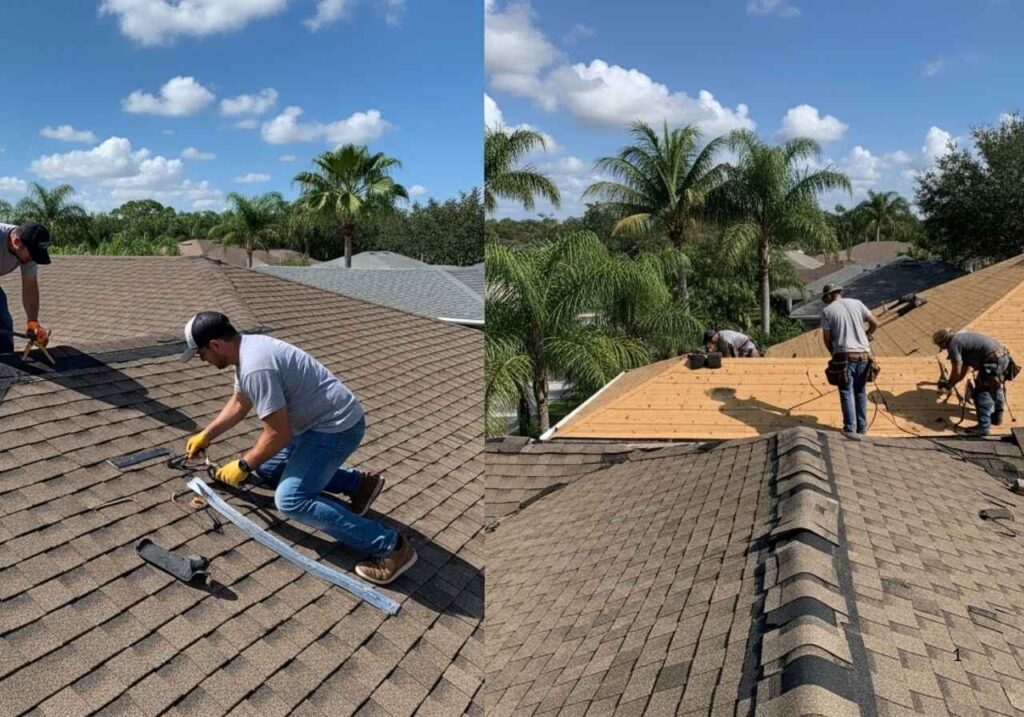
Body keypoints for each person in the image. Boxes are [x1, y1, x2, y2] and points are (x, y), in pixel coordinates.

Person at [181, 311, 417, 585]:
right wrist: (207, 434)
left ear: (215, 345)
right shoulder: (246, 351)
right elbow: (240, 402)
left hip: (336, 429)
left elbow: (278, 434)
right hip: (316, 424)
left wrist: (243, 465)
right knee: (268, 467)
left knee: (291, 500)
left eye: (201, 354)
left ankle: (391, 547)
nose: (203, 360)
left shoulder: (256, 366)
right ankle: (358, 485)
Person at [820, 283, 879, 436]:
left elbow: (827, 339)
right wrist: (866, 334)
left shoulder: (827, 311)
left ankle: (850, 428)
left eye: (825, 298)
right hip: (864, 355)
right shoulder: (857, 303)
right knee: (860, 391)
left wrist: (834, 355)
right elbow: (874, 323)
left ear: (829, 295)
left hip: (844, 356)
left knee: (846, 391)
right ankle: (862, 427)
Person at [933, 328, 1009, 436]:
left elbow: (956, 371)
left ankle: (983, 427)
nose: (941, 348)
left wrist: (949, 385)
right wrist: (953, 383)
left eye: (940, 345)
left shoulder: (953, 345)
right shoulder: (962, 338)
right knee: (995, 387)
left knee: (982, 392)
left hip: (991, 360)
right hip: (1003, 356)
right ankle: (997, 417)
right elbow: (964, 370)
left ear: (944, 341)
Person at [0, 222, 51, 353]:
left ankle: (7, 360)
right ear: (16, 242)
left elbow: (30, 287)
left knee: (3, 320)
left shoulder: (28, 251)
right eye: (32, 254)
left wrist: (32, 321)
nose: (33, 259)